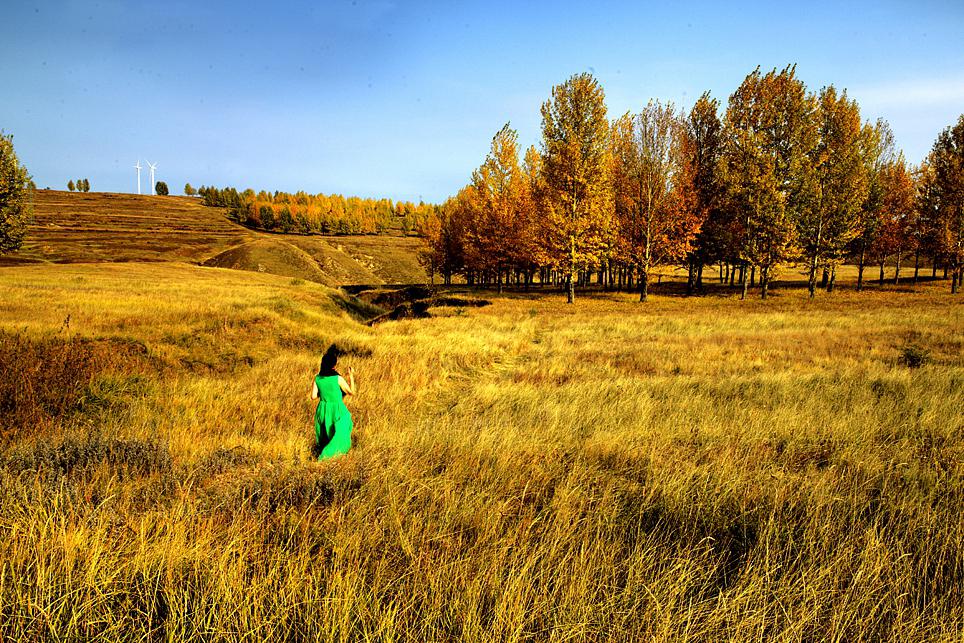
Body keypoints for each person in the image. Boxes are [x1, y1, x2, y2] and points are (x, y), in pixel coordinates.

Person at [310, 345, 356, 460]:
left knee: (327, 434)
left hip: (323, 408)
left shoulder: (317, 378)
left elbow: (313, 396)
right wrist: (351, 376)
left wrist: (324, 392)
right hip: (337, 408)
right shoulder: (337, 378)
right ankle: (327, 456)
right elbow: (351, 392)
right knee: (341, 431)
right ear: (334, 365)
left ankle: (327, 454)